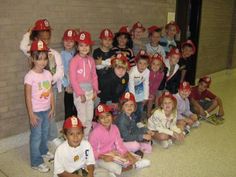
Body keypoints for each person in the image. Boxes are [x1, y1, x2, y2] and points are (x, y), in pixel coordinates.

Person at [20, 19, 64, 145]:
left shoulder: (54, 53)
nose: (45, 40)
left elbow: (60, 70)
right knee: (40, 114)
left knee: (51, 112)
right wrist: (28, 34)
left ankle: (52, 136)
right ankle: (46, 137)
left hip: (51, 87)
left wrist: (50, 81)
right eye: (41, 38)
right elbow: (23, 47)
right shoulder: (34, 52)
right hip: (37, 89)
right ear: (36, 38)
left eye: (47, 38)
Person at [89, 104, 151, 176]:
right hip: (99, 157)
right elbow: (91, 151)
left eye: (108, 115)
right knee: (116, 167)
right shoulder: (94, 133)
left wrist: (126, 153)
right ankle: (134, 166)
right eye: (102, 117)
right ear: (98, 120)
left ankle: (136, 162)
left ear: (112, 116)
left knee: (129, 157)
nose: (106, 119)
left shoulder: (114, 128)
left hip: (112, 152)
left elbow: (119, 144)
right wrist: (102, 157)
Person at [24, 40, 54, 172]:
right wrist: (31, 114)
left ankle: (43, 150)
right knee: (36, 137)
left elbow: (51, 92)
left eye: (44, 59)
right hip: (36, 112)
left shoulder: (48, 74)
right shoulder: (29, 76)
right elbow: (27, 97)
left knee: (44, 133)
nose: (42, 62)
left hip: (46, 110)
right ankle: (36, 162)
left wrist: (52, 107)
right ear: (32, 59)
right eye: (39, 59)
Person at [69, 31, 98, 139]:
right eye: (81, 45)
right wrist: (80, 93)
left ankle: (87, 137)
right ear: (77, 47)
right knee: (82, 117)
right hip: (79, 93)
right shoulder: (74, 61)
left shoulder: (91, 60)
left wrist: (95, 90)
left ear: (90, 47)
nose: (84, 48)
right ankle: (81, 138)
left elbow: (94, 76)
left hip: (90, 92)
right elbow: (73, 79)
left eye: (87, 45)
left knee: (90, 116)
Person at [128, 50, 150, 123]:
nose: (142, 66)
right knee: (131, 105)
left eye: (145, 64)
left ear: (147, 65)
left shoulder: (147, 71)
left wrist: (145, 97)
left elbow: (146, 84)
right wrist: (133, 99)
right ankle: (130, 120)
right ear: (136, 63)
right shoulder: (132, 71)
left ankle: (138, 122)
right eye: (140, 63)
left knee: (140, 106)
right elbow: (131, 85)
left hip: (139, 86)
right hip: (129, 87)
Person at [93, 28, 115, 96]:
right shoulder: (96, 51)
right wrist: (108, 62)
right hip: (99, 81)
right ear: (101, 40)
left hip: (110, 81)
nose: (107, 41)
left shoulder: (113, 52)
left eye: (109, 40)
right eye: (105, 39)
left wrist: (102, 62)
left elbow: (113, 65)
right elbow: (97, 66)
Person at [61, 29, 78, 119]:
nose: (68, 43)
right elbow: (61, 72)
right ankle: (68, 129)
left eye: (71, 41)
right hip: (69, 86)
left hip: (79, 85)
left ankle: (77, 128)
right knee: (69, 107)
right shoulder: (62, 55)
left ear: (75, 42)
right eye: (66, 40)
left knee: (78, 108)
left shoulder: (78, 53)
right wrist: (66, 85)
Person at [147, 53, 165, 118]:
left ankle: (152, 113)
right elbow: (146, 84)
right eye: (153, 64)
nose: (155, 66)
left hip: (153, 90)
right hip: (145, 89)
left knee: (154, 98)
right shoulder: (147, 72)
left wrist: (152, 93)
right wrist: (148, 93)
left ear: (161, 66)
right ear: (150, 64)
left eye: (158, 64)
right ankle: (144, 113)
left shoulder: (161, 74)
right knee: (147, 99)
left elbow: (156, 85)